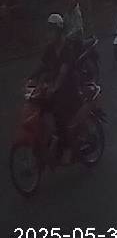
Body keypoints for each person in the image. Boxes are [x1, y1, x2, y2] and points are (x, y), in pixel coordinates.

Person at [29, 14, 85, 161]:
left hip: (70, 89)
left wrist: (54, 88)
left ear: (59, 32)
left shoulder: (67, 49)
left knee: (59, 114)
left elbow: (63, 72)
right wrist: (31, 77)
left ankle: (65, 146)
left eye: (52, 31)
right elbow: (42, 65)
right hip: (55, 88)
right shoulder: (50, 48)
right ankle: (50, 139)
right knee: (40, 109)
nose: (49, 34)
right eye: (49, 30)